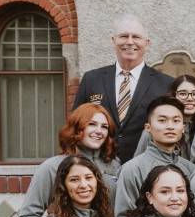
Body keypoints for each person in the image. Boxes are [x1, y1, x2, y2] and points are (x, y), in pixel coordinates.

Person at [71, 14, 173, 163]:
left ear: (147, 43)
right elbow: (76, 124)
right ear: (113, 41)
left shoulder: (165, 84)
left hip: (146, 169)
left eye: (136, 37)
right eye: (124, 36)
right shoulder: (92, 79)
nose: (130, 42)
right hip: (97, 167)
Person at [18, 104, 121, 217]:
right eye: (92, 124)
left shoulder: (115, 165)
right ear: (77, 127)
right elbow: (27, 216)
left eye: (104, 127)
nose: (99, 131)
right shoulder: (52, 166)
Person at [113, 96, 195, 217]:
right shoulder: (133, 169)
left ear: (183, 128)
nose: (170, 126)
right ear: (148, 128)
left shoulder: (191, 169)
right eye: (162, 120)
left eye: (176, 121)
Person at [135, 76, 195, 158]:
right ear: (173, 95)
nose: (190, 98)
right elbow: (138, 161)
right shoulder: (154, 129)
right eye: (183, 94)